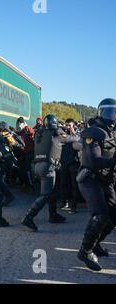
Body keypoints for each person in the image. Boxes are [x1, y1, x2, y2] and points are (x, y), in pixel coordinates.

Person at [76, 98, 116, 272]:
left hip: (106, 179)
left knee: (113, 215)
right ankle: (85, 251)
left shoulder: (111, 132)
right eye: (113, 112)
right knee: (100, 215)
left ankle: (97, 244)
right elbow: (93, 160)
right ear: (104, 112)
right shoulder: (93, 132)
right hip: (91, 179)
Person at [21, 114, 80, 232]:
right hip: (47, 167)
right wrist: (77, 134)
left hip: (37, 166)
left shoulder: (40, 133)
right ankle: (28, 217)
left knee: (52, 191)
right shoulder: (55, 133)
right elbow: (74, 139)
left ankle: (53, 215)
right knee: (45, 194)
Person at [59, 118, 81, 213]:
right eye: (66, 125)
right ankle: (64, 203)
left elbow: (79, 143)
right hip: (63, 163)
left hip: (74, 163)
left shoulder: (78, 135)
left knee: (74, 186)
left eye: (70, 125)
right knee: (64, 184)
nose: (67, 127)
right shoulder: (63, 134)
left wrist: (73, 133)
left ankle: (73, 206)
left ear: (74, 126)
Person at [16, 117, 35, 190]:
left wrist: (28, 129)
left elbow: (33, 133)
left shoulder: (27, 128)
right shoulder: (23, 130)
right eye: (18, 123)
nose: (18, 125)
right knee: (22, 167)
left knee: (27, 169)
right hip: (25, 152)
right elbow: (17, 133)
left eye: (19, 123)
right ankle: (24, 183)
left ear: (23, 123)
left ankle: (30, 185)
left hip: (30, 152)